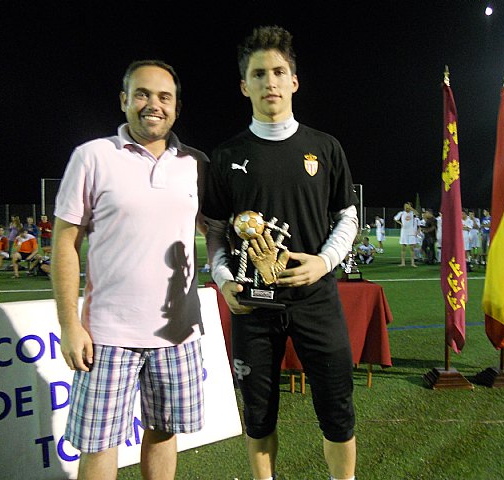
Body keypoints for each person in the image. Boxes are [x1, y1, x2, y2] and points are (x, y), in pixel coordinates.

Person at [202, 26, 358, 480]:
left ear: (294, 81)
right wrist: (223, 277)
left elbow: (347, 217)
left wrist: (323, 262)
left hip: (316, 300)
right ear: (244, 85)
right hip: (253, 306)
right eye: (258, 73)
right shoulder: (227, 155)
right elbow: (214, 229)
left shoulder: (324, 148)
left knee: (336, 407)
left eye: (278, 71)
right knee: (258, 415)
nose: (269, 81)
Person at [52, 59, 207, 479]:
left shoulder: (195, 164)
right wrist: (70, 324)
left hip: (178, 333)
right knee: (99, 446)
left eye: (163, 96)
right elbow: (65, 244)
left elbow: (218, 232)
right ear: (124, 100)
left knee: (163, 433)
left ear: (175, 107)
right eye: (141, 94)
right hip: (107, 336)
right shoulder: (92, 156)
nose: (152, 104)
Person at [394, 202, 420, 267]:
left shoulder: (412, 213)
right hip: (404, 232)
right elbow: (395, 218)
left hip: (411, 232)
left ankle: (413, 263)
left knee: (412, 248)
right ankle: (403, 263)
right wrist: (400, 223)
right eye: (405, 206)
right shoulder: (401, 213)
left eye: (407, 206)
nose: (406, 208)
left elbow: (417, 214)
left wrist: (411, 208)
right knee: (403, 248)